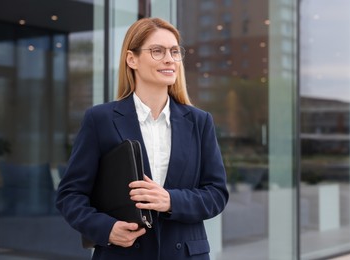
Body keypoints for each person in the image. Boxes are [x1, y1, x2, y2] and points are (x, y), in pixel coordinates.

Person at [56, 17, 229, 260]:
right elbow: (70, 195)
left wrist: (170, 200)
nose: (169, 58)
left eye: (174, 51)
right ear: (132, 59)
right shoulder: (100, 119)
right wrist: (107, 229)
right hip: (122, 254)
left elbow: (217, 194)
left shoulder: (200, 122)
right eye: (157, 51)